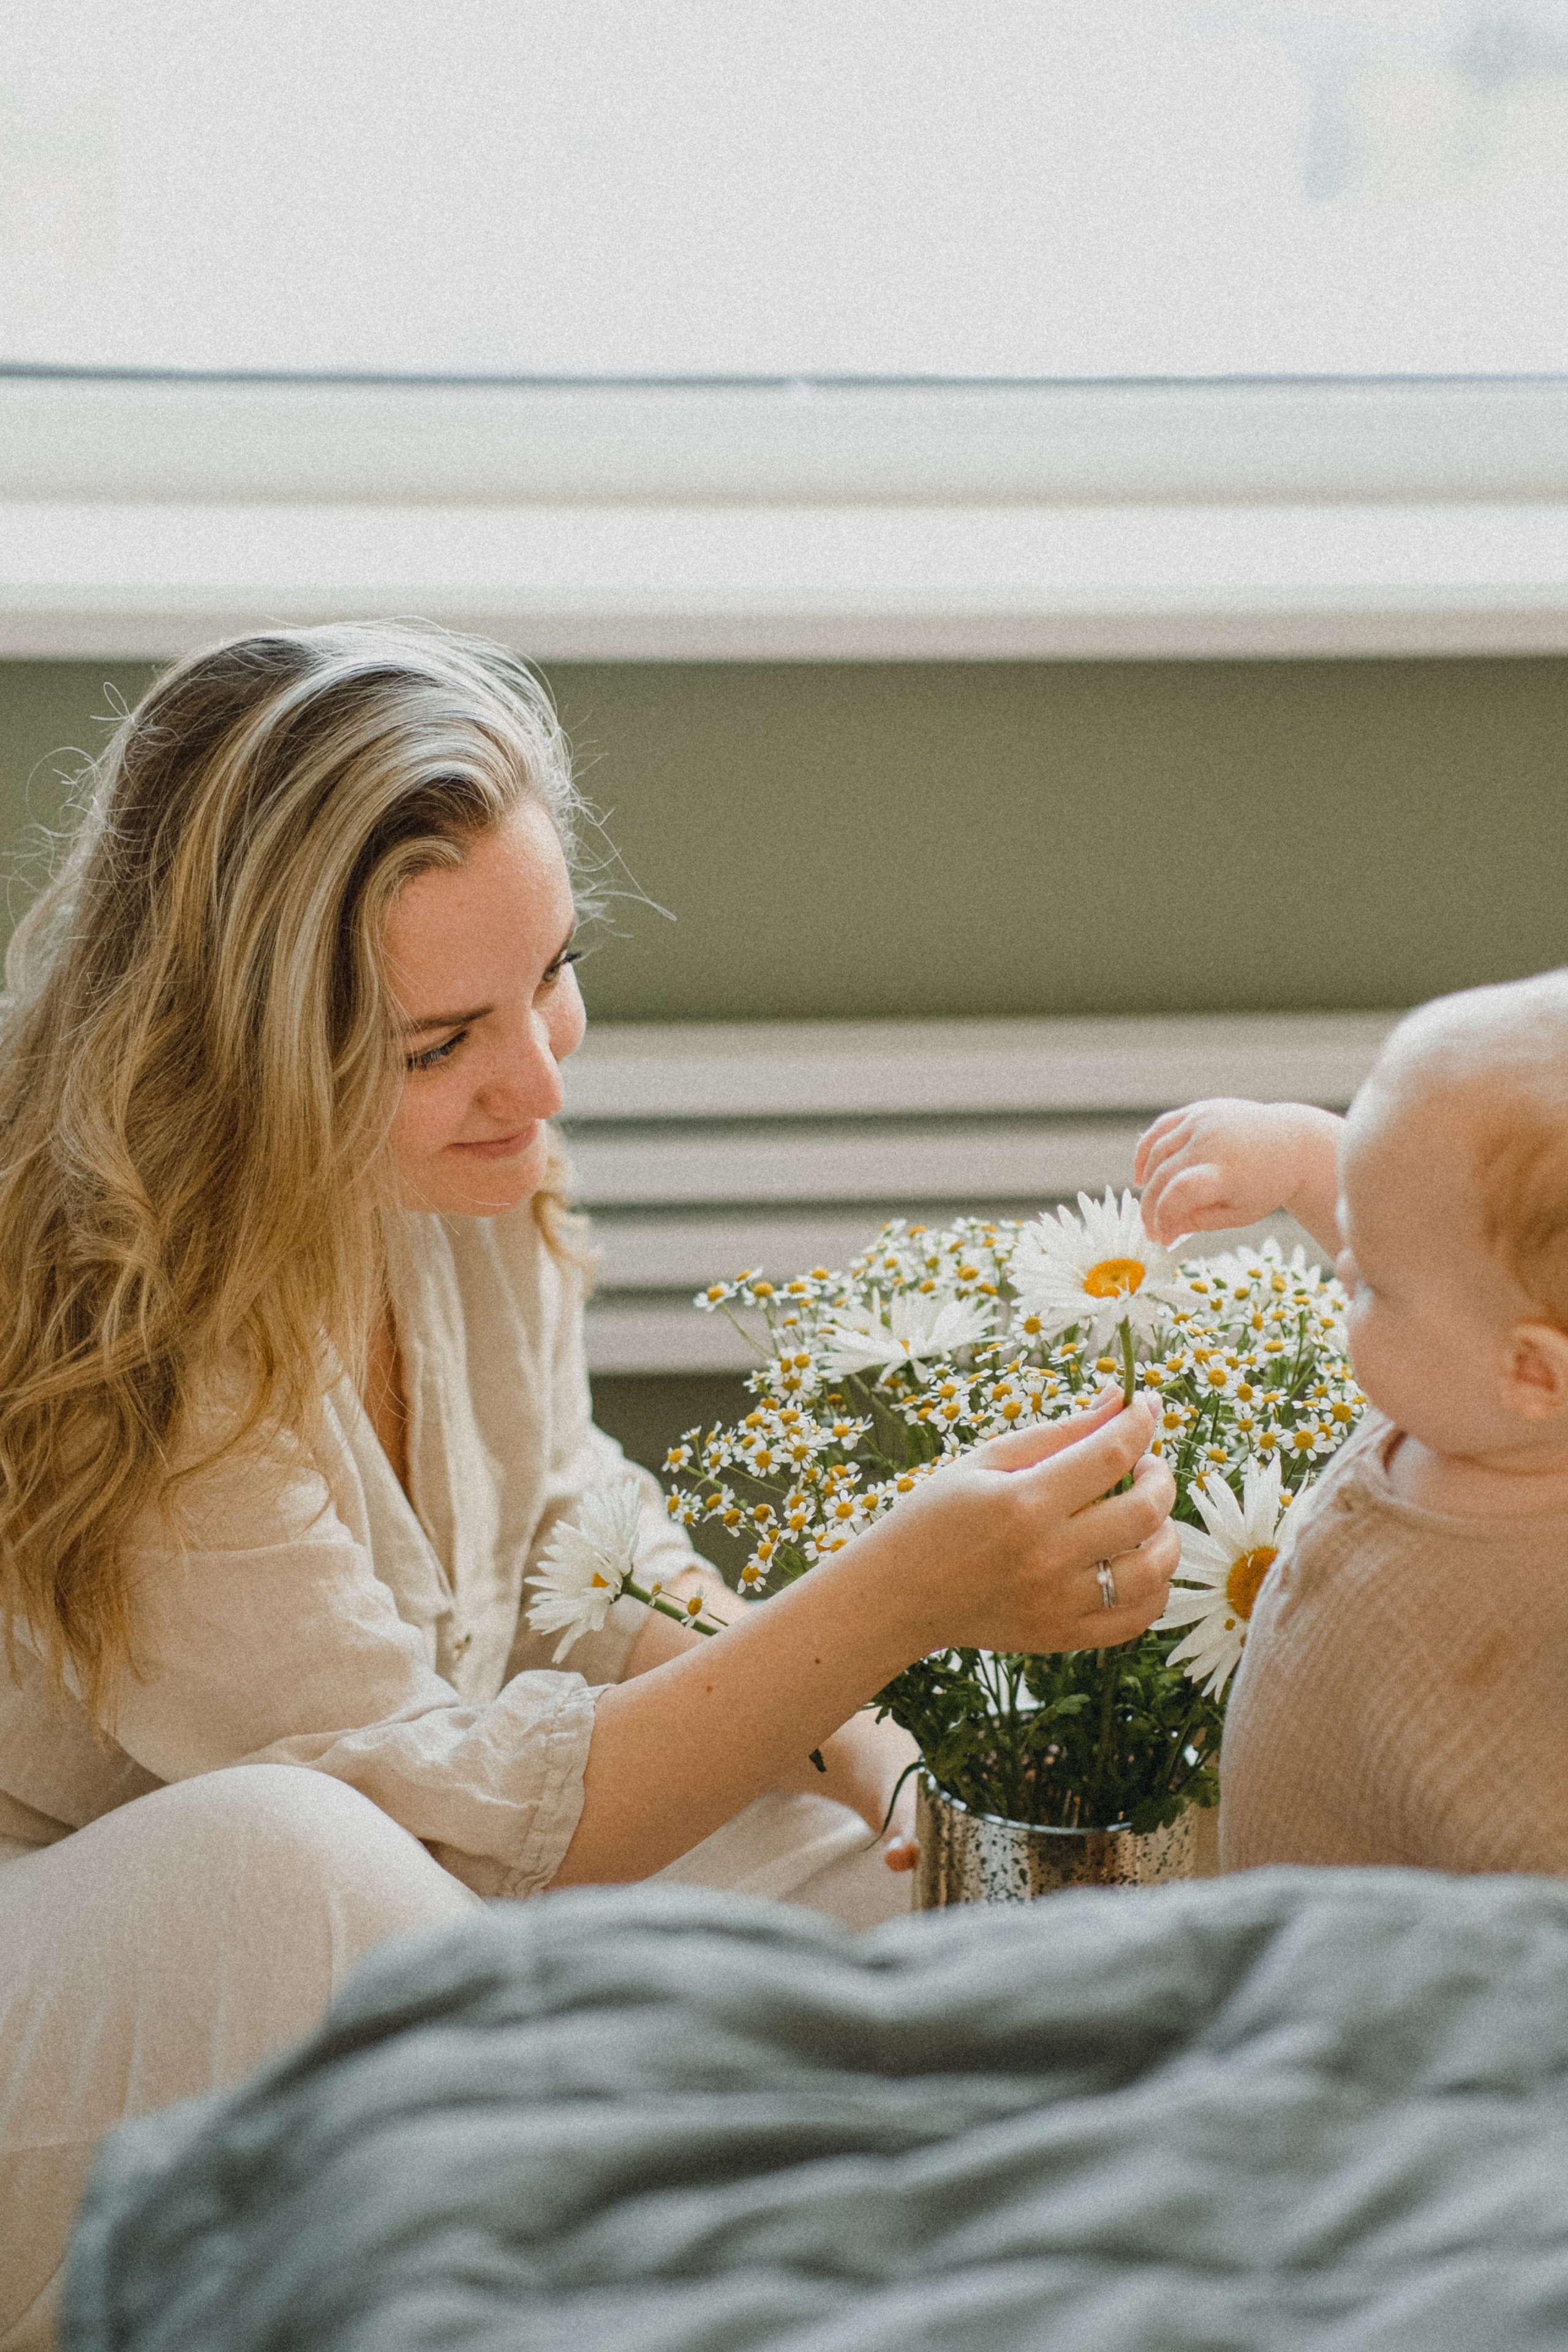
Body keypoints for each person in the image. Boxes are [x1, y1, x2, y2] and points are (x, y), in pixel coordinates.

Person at [0, 622, 1177, 2343]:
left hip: (427, 1904)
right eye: (439, 1040)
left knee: (849, 1862)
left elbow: (582, 1542)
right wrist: (893, 1599)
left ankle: (986, 2248)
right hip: (115, 1982)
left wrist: (872, 1755)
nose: (540, 1075)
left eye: (553, 971)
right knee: (296, 1862)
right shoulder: (123, 1302)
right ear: (240, 1049)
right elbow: (451, 1841)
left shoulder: (453, 1176)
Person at [1135, 974, 1568, 1876]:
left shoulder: (1539, 1658)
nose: (1339, 1268)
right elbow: (1432, 1235)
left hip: (1358, 1987)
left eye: (1370, 1282)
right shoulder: (1479, 1395)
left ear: (1534, 1372)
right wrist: (1294, 1151)